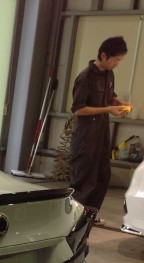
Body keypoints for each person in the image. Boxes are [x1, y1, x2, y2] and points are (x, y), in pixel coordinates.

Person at [70, 35, 131, 225]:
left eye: (120, 60)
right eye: (115, 60)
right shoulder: (85, 77)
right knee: (84, 178)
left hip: (102, 132)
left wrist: (118, 103)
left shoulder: (109, 74)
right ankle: (73, 219)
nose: (117, 64)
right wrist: (108, 109)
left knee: (102, 176)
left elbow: (110, 96)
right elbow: (79, 109)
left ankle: (89, 216)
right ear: (104, 55)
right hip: (86, 134)